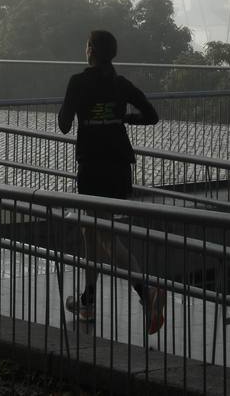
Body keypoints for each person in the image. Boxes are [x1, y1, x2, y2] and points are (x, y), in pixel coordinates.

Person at [57, 29, 165, 335]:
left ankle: (148, 293)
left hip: (92, 167)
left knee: (104, 236)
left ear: (90, 50)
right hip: (118, 167)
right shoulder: (120, 84)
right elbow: (152, 116)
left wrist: (74, 107)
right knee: (91, 232)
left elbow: (64, 125)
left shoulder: (78, 82)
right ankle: (88, 302)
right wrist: (122, 119)